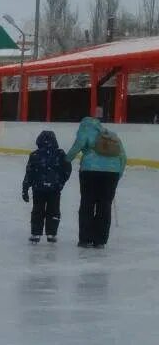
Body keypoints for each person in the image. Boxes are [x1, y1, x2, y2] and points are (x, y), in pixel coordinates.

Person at [66, 106, 126, 248]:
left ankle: (85, 240)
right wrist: (118, 174)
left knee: (87, 204)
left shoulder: (85, 129)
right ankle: (100, 241)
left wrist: (66, 160)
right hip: (112, 174)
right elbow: (123, 156)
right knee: (104, 206)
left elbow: (77, 146)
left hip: (90, 172)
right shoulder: (111, 135)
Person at [22, 130, 73, 243]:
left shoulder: (35, 154)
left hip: (38, 188)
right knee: (54, 210)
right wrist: (60, 183)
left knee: (37, 210)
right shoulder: (60, 154)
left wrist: (25, 188)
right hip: (54, 189)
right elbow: (67, 169)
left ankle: (36, 233)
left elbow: (29, 173)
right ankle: (51, 233)